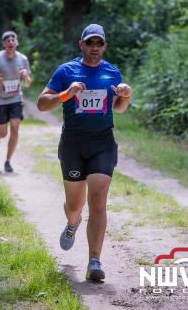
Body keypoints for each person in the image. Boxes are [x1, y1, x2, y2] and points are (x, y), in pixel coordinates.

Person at [37, 24, 131, 281]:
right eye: (90, 43)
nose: (94, 48)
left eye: (99, 44)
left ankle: (94, 261)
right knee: (74, 205)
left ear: (104, 47)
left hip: (102, 142)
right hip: (73, 144)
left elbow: (119, 108)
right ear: (81, 45)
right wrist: (67, 94)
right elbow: (42, 104)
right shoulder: (66, 71)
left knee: (98, 200)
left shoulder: (112, 72)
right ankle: (73, 223)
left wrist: (126, 96)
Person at [0, 31, 31, 173]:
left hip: (16, 98)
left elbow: (28, 83)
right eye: (7, 40)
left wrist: (25, 76)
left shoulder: (23, 59)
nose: (11, 42)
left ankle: (8, 161)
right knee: (3, 132)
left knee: (15, 126)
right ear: (3, 44)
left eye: (13, 39)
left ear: (17, 42)